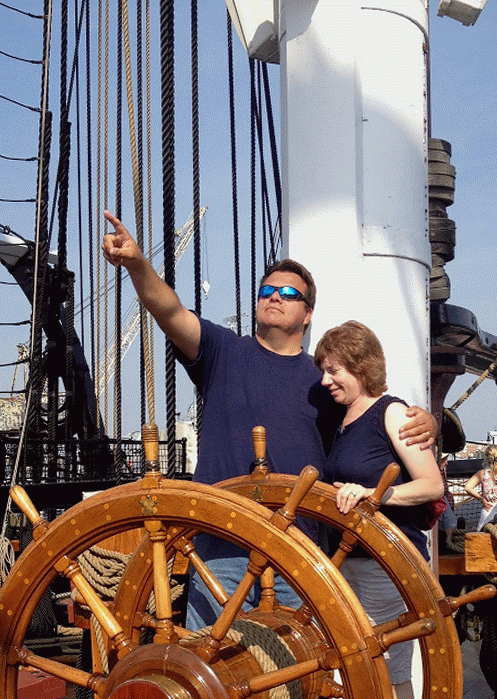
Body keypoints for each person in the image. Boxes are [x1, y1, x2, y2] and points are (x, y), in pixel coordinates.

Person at [101, 213, 437, 624]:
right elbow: (168, 310)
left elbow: (376, 414)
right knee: (209, 661)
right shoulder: (222, 352)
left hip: (298, 552)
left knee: (295, 666)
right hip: (220, 548)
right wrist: (137, 263)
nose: (275, 297)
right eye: (267, 291)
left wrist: (428, 421)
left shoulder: (326, 383)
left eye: (288, 293)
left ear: (308, 314)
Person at [314, 321, 445, 699]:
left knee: (389, 669)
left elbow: (431, 485)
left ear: (361, 366)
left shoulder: (392, 413)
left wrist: (375, 495)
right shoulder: (343, 422)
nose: (326, 380)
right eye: (323, 371)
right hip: (350, 564)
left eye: (334, 370)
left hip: (386, 567)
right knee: (360, 670)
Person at [463, 444, 497, 529]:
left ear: (487, 458)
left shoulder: (482, 474)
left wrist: (481, 499)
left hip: (489, 513)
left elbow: (467, 487)